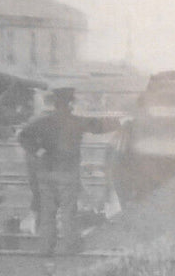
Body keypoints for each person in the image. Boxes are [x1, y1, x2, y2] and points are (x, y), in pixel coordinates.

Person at [17, 87, 121, 256]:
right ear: (71, 103)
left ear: (55, 103)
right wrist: (120, 122)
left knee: (47, 212)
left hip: (46, 172)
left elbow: (23, 136)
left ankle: (46, 248)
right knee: (68, 212)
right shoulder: (76, 122)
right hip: (67, 173)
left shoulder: (43, 122)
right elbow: (99, 126)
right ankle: (70, 246)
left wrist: (38, 151)